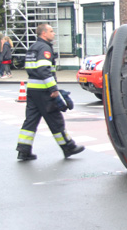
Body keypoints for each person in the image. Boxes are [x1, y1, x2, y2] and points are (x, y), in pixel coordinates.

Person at [16, 23, 84, 161]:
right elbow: (43, 69)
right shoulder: (44, 48)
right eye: (51, 31)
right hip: (43, 91)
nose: (54, 34)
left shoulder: (33, 47)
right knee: (55, 120)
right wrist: (53, 89)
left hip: (32, 90)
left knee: (30, 121)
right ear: (43, 34)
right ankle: (68, 147)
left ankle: (23, 150)